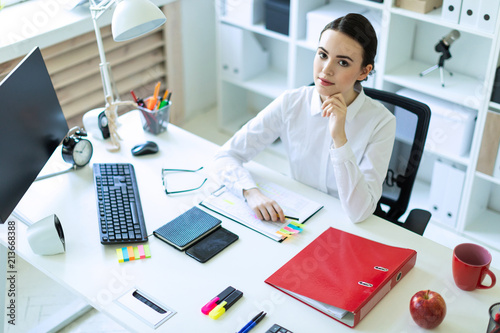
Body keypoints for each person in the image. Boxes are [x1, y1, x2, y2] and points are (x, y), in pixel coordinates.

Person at [213, 13, 396, 223]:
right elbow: (225, 156)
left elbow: (359, 213)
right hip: (301, 213)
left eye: (343, 63)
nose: (326, 70)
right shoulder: (292, 102)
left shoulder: (382, 123)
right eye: (322, 55)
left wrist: (339, 138)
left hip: (345, 223)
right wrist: (251, 192)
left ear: (364, 72)